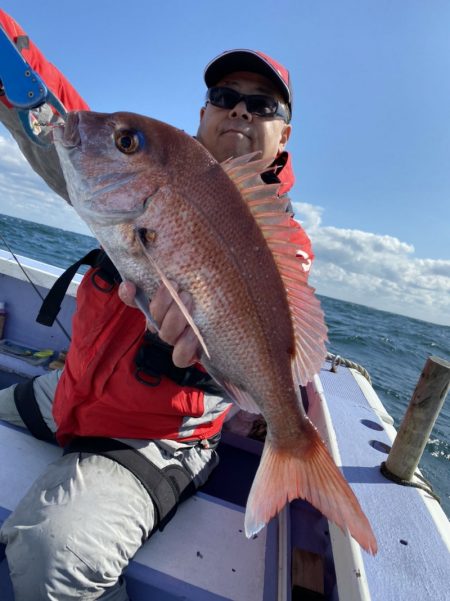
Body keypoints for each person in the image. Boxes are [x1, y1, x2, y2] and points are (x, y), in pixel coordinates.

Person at [0, 11, 313, 601]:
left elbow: (278, 303)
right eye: (225, 97)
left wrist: (208, 344)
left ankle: (286, 452)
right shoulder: (142, 163)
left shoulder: (284, 240)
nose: (241, 110)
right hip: (70, 391)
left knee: (52, 555)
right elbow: (47, 102)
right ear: (202, 114)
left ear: (284, 136)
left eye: (264, 105)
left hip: (159, 435)